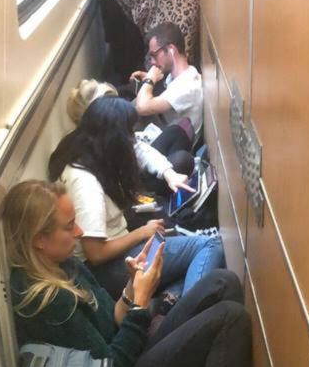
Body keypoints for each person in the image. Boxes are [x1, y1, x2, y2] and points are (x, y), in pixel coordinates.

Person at [1, 181, 253, 367]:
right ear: (39, 240)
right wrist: (141, 306)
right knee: (229, 317)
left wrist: (131, 291)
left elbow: (112, 321)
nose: (80, 232)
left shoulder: (66, 265)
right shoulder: (47, 301)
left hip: (124, 364)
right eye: (69, 227)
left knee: (222, 281)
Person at [48, 96, 223, 299]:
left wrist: (168, 173)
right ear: (114, 139)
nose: (132, 138)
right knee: (210, 246)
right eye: (128, 133)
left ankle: (169, 300)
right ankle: (188, 316)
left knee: (185, 257)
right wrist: (141, 233)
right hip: (107, 268)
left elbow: (139, 148)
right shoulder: (85, 184)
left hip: (117, 246)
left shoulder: (85, 145)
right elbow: (95, 254)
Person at [66, 78, 194, 193]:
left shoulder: (109, 130)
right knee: (183, 160)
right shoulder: (87, 158)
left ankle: (172, 180)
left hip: (134, 170)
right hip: (132, 189)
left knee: (177, 133)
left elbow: (139, 149)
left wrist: (169, 173)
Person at [132, 21, 203, 137]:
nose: (152, 62)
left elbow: (142, 107)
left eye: (154, 55)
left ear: (171, 50)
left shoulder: (187, 86)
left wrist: (149, 80)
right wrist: (148, 77)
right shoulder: (183, 74)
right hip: (164, 130)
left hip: (169, 147)